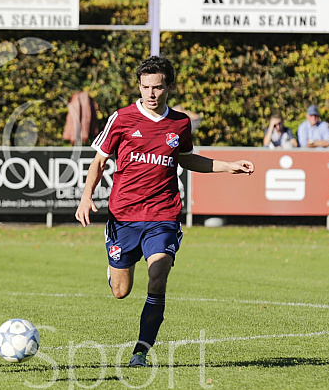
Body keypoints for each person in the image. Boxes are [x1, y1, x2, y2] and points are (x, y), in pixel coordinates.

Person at [75, 56, 254, 368]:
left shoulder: (180, 123)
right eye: (145, 87)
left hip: (163, 215)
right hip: (124, 216)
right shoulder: (122, 118)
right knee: (121, 291)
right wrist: (86, 196)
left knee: (158, 277)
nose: (151, 93)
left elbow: (187, 158)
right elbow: (99, 161)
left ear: (170, 86)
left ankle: (140, 352)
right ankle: (114, 270)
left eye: (157, 87)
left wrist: (229, 167)